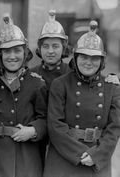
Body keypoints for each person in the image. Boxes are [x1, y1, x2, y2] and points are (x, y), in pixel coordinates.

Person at [43, 20, 120, 177]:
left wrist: (97, 155)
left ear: (102, 61)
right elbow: (55, 125)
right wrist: (80, 153)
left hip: (96, 159)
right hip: (64, 158)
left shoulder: (111, 87)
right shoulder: (60, 84)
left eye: (94, 58)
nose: (88, 62)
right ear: (75, 58)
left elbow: (114, 128)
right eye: (83, 57)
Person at [0, 14, 48, 177]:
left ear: (25, 53)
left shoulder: (37, 83)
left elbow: (47, 119)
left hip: (27, 155)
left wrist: (33, 130)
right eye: (7, 52)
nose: (12, 56)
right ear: (0, 55)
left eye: (17, 51)